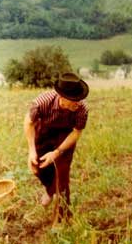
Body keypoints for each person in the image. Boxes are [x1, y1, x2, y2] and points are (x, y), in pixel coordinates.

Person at [24, 72, 89, 217]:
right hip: (44, 132)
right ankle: (49, 189)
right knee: (38, 167)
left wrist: (58, 152)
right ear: (62, 98)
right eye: (74, 100)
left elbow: (76, 133)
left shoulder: (82, 109)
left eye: (79, 98)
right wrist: (31, 151)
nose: (78, 103)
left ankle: (62, 218)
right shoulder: (42, 102)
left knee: (62, 175)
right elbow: (28, 123)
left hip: (65, 136)